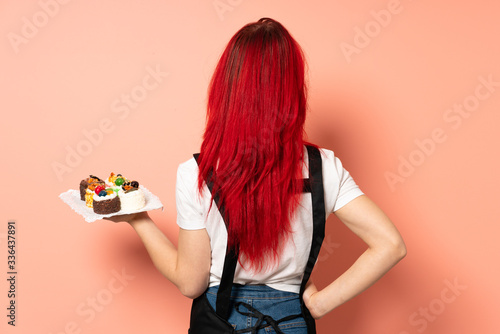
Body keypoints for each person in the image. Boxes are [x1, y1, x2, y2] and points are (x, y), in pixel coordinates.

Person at [107, 18, 406, 333]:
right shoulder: (323, 167)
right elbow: (390, 244)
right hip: (292, 322)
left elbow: (190, 283)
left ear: (227, 88)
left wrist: (137, 219)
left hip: (220, 322)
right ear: (291, 90)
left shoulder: (199, 171)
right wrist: (320, 304)